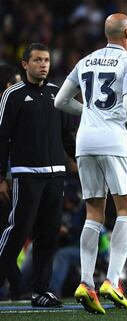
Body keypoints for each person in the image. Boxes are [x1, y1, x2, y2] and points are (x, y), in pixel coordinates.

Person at [54, 13, 127, 314]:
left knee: (94, 212)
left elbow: (59, 101)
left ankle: (86, 282)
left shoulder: (85, 61)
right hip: (115, 141)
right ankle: (113, 281)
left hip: (84, 142)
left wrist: (89, 112)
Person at [0, 43, 76, 307]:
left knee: (49, 233)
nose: (43, 64)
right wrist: (1, 177)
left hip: (56, 176)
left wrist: (78, 159)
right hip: (26, 176)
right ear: (25, 64)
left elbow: (67, 135)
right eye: (37, 60)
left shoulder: (58, 94)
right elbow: (2, 139)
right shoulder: (13, 95)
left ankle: (41, 290)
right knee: (17, 232)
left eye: (46, 60)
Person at [0, 64, 22, 300]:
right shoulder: (5, 110)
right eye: (15, 82)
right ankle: (15, 284)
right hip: (6, 180)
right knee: (10, 231)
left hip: (10, 179)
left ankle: (15, 284)